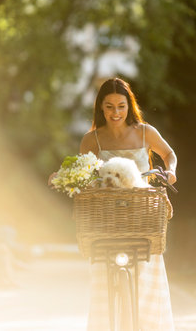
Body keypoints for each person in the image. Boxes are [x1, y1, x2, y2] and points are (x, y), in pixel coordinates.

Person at [80, 77, 177, 331]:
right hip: (107, 217)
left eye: (121, 106)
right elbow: (82, 172)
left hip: (141, 216)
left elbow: (169, 154)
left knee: (147, 285)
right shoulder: (92, 140)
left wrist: (171, 171)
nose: (116, 112)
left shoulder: (145, 132)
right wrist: (63, 177)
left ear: (129, 105)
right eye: (109, 106)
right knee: (102, 279)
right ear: (101, 107)